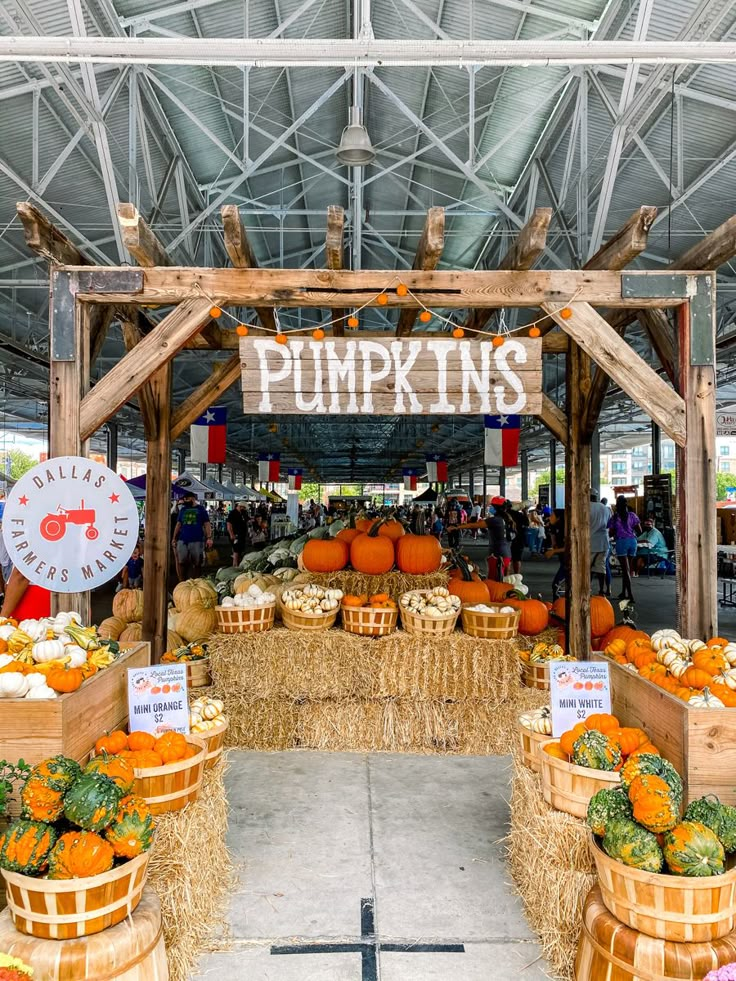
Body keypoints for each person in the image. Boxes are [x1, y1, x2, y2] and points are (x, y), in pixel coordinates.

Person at [171, 492, 213, 582]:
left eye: (187, 498)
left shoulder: (201, 509)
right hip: (183, 539)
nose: (185, 500)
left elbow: (207, 524)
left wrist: (209, 537)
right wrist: (174, 538)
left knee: (197, 563)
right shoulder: (183, 510)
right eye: (184, 499)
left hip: (197, 539)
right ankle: (182, 581)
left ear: (192, 498)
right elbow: (178, 524)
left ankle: (196, 581)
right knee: (181, 562)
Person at [608, 495, 641, 600]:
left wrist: (617, 532)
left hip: (621, 542)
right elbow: (639, 531)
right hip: (633, 542)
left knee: (625, 570)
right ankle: (623, 592)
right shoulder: (632, 515)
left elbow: (611, 533)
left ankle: (630, 595)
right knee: (627, 569)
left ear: (617, 505)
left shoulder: (615, 517)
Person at [590, 492, 611, 597]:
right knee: (601, 567)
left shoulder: (586, 507)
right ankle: (602, 590)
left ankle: (586, 588)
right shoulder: (605, 508)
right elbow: (609, 524)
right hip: (603, 542)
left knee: (586, 567)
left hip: (590, 542)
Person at [545, 509, 566, 599]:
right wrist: (554, 544)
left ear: (558, 518)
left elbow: (568, 548)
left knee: (556, 584)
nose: (550, 517)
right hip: (563, 559)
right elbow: (553, 536)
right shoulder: (554, 526)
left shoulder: (565, 528)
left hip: (569, 560)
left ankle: (558, 605)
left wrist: (553, 551)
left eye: (552, 515)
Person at [508, 502, 529, 574]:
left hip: (506, 538)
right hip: (519, 538)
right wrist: (525, 512)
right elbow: (527, 523)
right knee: (517, 558)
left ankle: (506, 575)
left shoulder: (503, 515)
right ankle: (517, 576)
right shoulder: (519, 514)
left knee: (507, 558)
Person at [226, 501, 250, 566]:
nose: (245, 509)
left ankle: (238, 564)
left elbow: (247, 519)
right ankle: (235, 565)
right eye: (244, 508)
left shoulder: (243, 513)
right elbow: (229, 524)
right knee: (236, 550)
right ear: (240, 506)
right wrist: (231, 534)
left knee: (240, 550)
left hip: (242, 535)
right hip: (235, 535)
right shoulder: (233, 513)